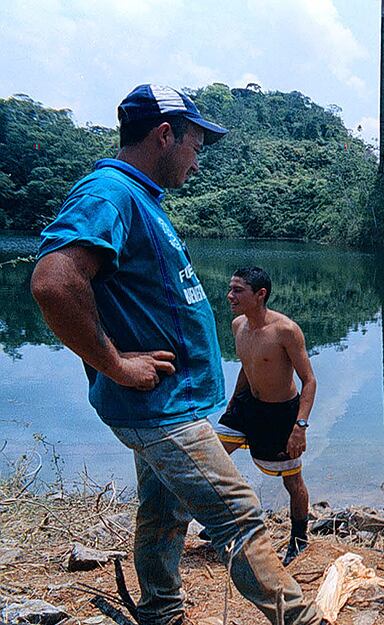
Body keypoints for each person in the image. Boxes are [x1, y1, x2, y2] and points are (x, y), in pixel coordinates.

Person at [30, 84, 321, 625]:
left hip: (168, 403)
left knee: (163, 510)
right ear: (165, 135)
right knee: (240, 515)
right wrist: (115, 364)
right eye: (196, 144)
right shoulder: (108, 194)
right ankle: (298, 619)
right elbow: (53, 282)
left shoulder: (140, 198)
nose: (198, 157)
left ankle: (161, 611)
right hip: (158, 410)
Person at [214, 266, 316, 565]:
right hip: (246, 406)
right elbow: (248, 368)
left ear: (260, 295)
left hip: (280, 414)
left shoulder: (285, 330)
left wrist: (300, 427)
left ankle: (299, 539)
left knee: (292, 481)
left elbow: (309, 380)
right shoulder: (238, 326)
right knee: (212, 456)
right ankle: (228, 519)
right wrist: (233, 404)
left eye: (237, 290)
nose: (230, 296)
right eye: (230, 288)